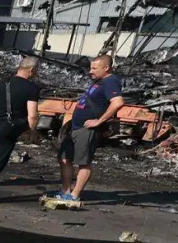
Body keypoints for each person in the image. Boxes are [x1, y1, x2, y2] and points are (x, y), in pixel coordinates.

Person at [48, 55, 125, 209]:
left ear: (106, 68)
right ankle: (65, 191)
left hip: (87, 129)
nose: (91, 71)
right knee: (64, 158)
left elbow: (118, 103)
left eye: (94, 68)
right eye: (91, 68)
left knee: (83, 162)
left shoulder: (111, 81)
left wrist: (99, 121)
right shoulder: (99, 82)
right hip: (76, 127)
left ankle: (74, 195)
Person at [0, 56, 42, 204]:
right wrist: (32, 131)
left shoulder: (0, 83)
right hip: (9, 128)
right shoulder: (31, 88)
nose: (36, 73)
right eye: (36, 70)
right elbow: (32, 114)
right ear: (31, 70)